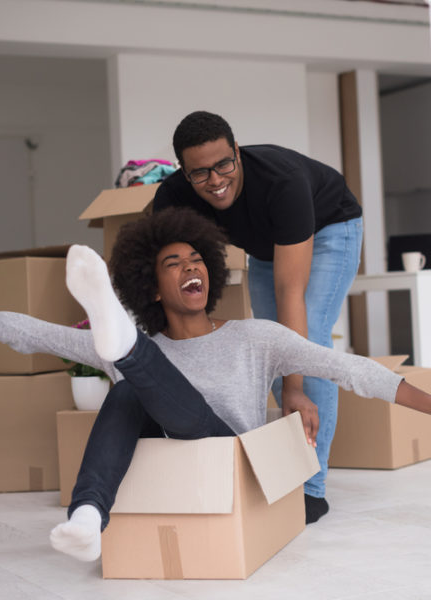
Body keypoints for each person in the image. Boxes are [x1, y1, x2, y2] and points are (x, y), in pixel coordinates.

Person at [0, 208, 431, 563]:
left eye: (195, 258)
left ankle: (122, 346)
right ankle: (86, 520)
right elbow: (28, 332)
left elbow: (352, 370)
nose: (190, 267)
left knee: (130, 369)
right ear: (152, 289)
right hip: (168, 453)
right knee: (130, 384)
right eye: (172, 263)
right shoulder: (144, 347)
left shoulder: (256, 337)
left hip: (229, 457)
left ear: (212, 271)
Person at [152, 111, 364, 521]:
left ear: (237, 152)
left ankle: (310, 489)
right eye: (200, 173)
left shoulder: (282, 184)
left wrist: (293, 388)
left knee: (309, 343)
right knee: (269, 352)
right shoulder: (172, 195)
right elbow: (162, 272)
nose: (215, 181)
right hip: (267, 248)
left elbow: (291, 294)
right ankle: (284, 469)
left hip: (328, 229)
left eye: (224, 165)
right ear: (183, 171)